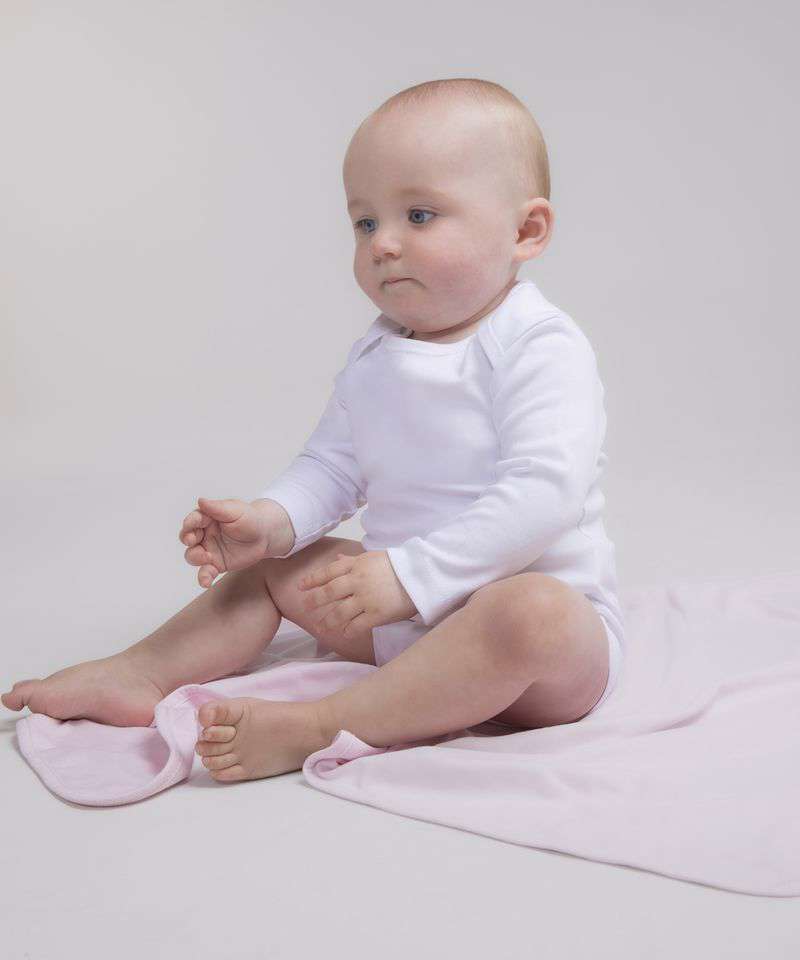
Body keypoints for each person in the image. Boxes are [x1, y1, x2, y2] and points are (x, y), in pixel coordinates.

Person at [2, 78, 625, 782]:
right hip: (401, 624)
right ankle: (140, 673)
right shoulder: (377, 353)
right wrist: (271, 523)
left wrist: (411, 575)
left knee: (533, 611)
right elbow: (331, 467)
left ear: (525, 231)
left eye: (419, 215)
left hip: (538, 658)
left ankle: (319, 726)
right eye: (365, 223)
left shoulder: (538, 343)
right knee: (278, 566)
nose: (383, 244)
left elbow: (545, 494)